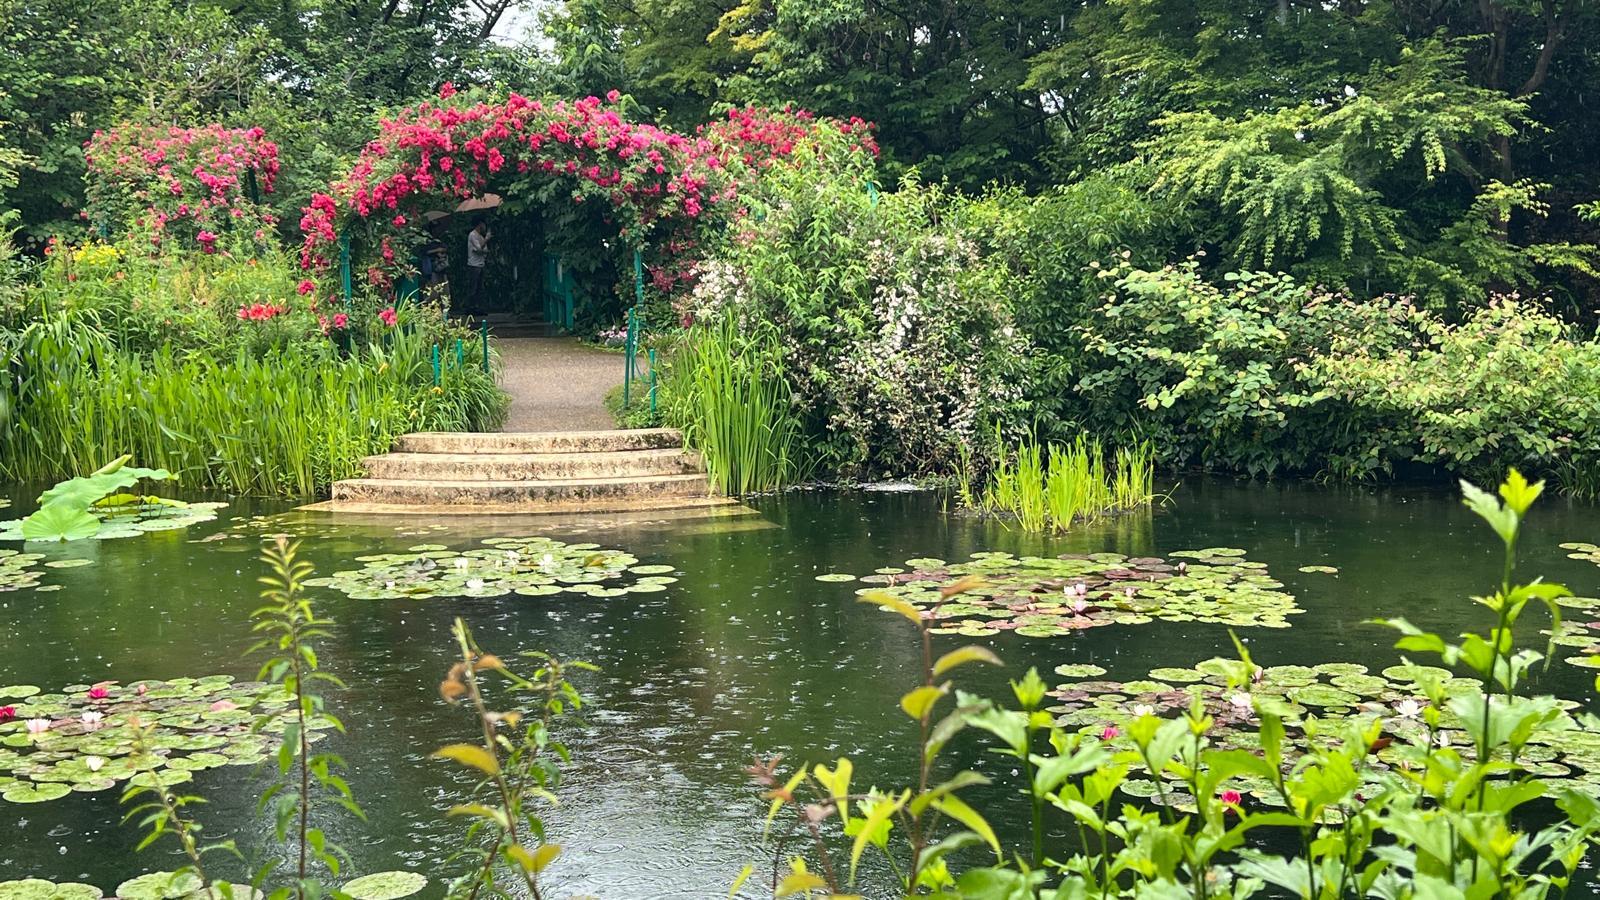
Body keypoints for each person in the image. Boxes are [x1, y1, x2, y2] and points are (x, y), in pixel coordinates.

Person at [464, 215, 490, 313]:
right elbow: (479, 249)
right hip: (474, 264)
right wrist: (486, 239)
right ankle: (470, 308)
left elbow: (485, 250)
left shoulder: (480, 236)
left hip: (481, 264)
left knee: (480, 287)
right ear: (480, 224)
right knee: (473, 288)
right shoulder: (473, 235)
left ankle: (477, 307)